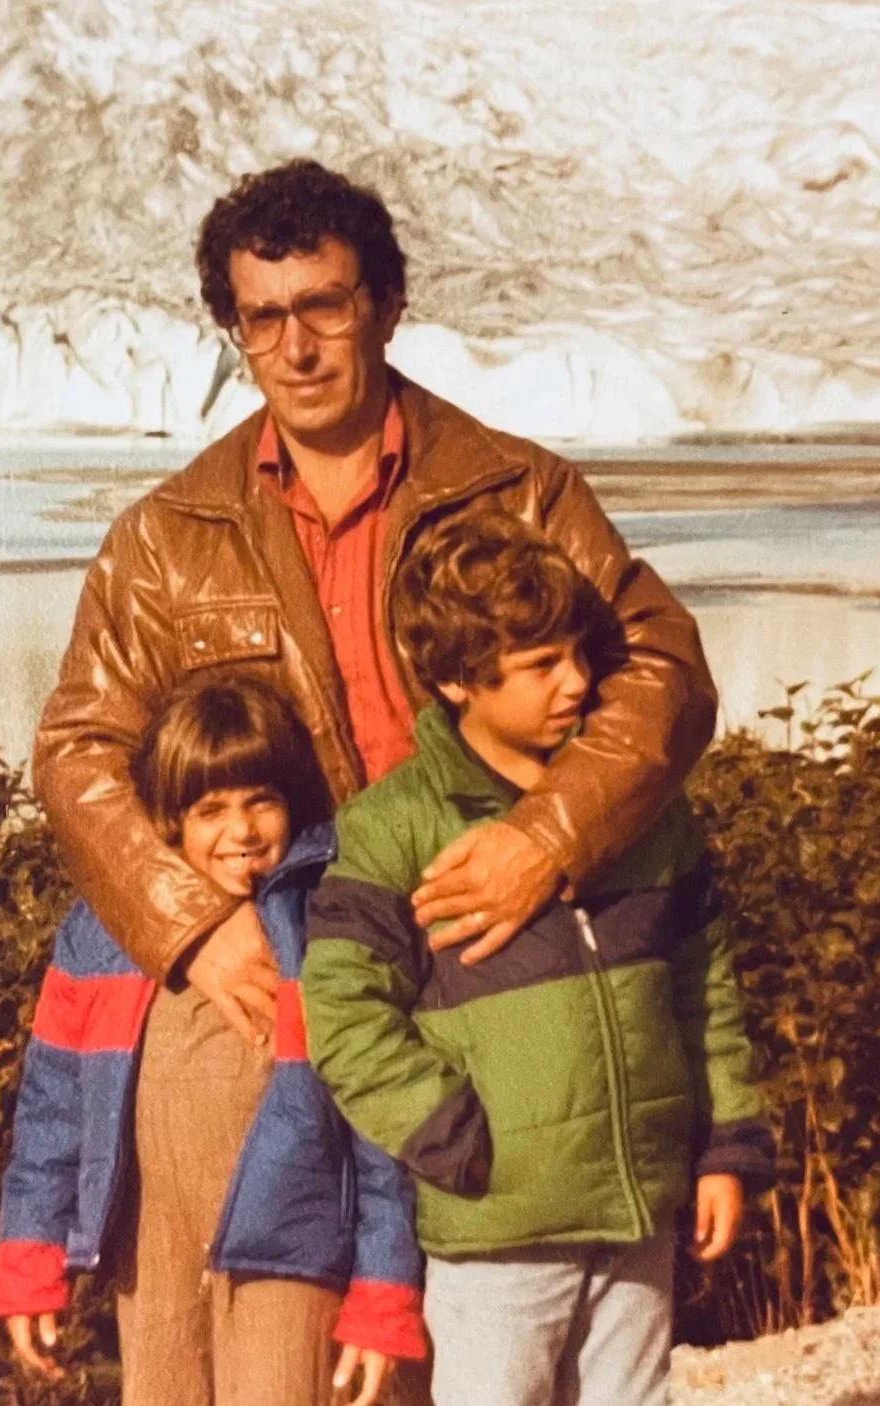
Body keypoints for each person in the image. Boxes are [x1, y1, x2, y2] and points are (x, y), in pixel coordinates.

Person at [32, 159, 720, 1069]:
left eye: (324, 306)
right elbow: (78, 748)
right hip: (294, 984)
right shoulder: (165, 539)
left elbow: (662, 666)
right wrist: (192, 922)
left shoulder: (517, 491)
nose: (297, 349)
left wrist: (545, 838)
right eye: (263, 319)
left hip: (505, 947)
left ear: (387, 307)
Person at [300, 512, 774, 1406]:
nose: (581, 683)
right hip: (498, 1235)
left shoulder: (641, 811)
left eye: (579, 655)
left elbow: (703, 988)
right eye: (541, 666)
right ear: (454, 682)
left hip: (636, 1211)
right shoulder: (396, 827)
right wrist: (459, 1142)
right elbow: (344, 1015)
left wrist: (722, 1148)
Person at [0, 675, 425, 1406]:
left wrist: (383, 1291)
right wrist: (31, 1258)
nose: (243, 831)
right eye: (210, 809)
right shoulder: (103, 931)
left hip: (293, 1248)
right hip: (151, 1251)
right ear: (167, 820)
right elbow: (52, 1111)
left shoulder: (329, 923)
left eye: (262, 800)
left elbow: (381, 1129)